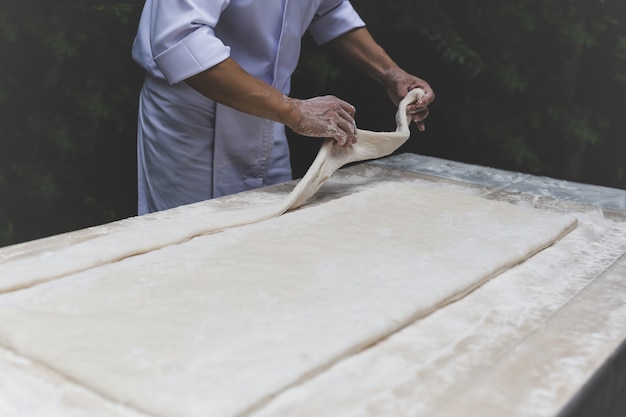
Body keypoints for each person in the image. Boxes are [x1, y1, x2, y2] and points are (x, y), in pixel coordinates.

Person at [131, 0, 434, 215]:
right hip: (194, 119)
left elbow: (330, 9)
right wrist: (294, 112)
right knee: (187, 248)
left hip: (271, 115)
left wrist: (391, 74)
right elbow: (181, 39)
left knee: (269, 241)